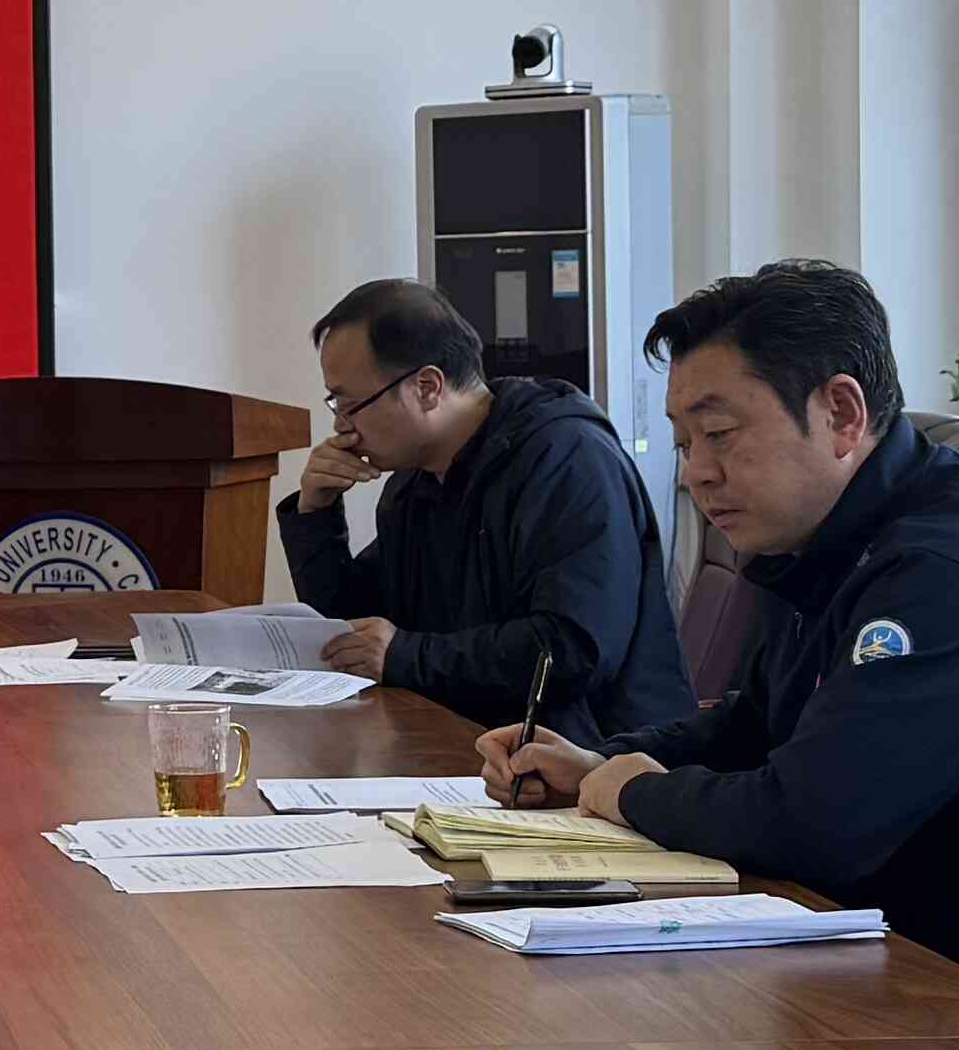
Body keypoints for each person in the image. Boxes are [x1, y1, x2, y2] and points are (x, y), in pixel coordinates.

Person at [483, 257, 959, 980]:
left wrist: (633, 791)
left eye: (719, 433)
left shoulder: (943, 574)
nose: (694, 471)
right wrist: (601, 762)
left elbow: (814, 824)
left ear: (842, 413)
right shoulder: (841, 536)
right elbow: (758, 723)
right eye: (684, 443)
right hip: (918, 965)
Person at [281, 276, 697, 740]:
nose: (342, 427)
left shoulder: (566, 460)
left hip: (589, 756)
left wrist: (406, 657)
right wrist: (315, 513)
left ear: (427, 387)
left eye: (350, 405)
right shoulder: (415, 482)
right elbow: (356, 633)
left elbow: (572, 650)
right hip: (464, 743)